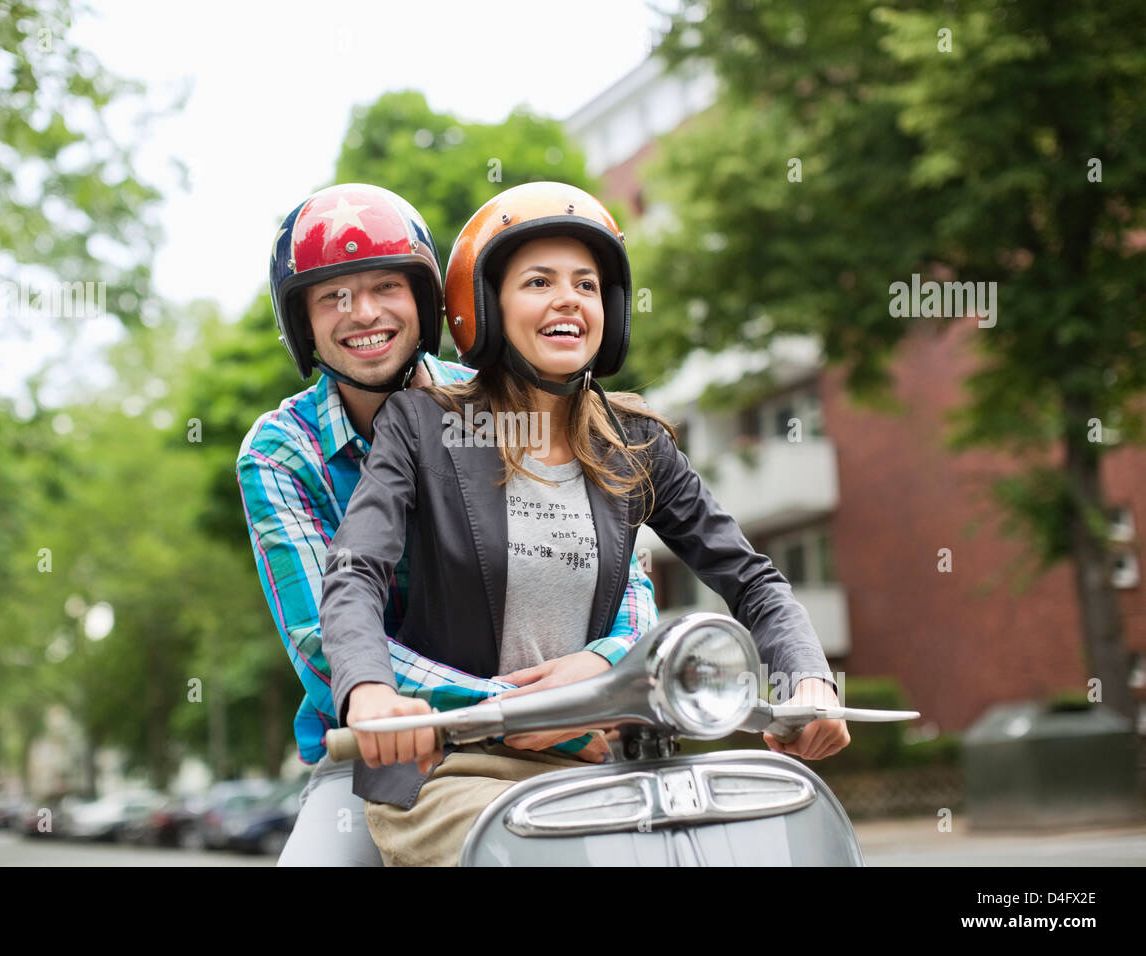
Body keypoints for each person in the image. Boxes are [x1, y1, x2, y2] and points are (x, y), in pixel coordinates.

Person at [320, 181, 851, 867]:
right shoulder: (423, 425)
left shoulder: (636, 443)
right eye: (538, 281)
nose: (569, 299)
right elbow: (355, 569)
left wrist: (808, 681)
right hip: (450, 771)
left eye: (588, 284)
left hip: (599, 765)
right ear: (483, 307)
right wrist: (369, 693)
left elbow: (752, 579)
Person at [236, 182, 660, 866]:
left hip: (570, 730)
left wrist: (601, 669)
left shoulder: (501, 399)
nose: (364, 312)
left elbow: (617, 564)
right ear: (302, 323)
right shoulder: (280, 451)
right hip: (386, 750)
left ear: (429, 301)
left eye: (386, 287)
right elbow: (323, 639)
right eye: (333, 296)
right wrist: (510, 709)